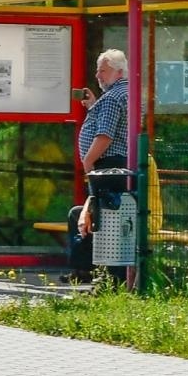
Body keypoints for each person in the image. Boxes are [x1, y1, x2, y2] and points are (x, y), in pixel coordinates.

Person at [63, 48, 129, 284]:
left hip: (106, 166)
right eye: (98, 70)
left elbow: (105, 136)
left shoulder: (111, 98)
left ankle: (103, 276)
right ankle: (88, 271)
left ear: (119, 72)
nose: (98, 75)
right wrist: (93, 106)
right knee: (93, 215)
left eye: (103, 70)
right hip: (118, 165)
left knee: (101, 218)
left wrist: (88, 161)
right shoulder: (125, 93)